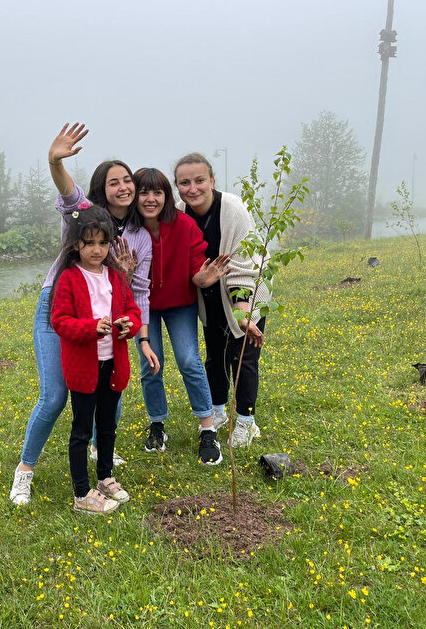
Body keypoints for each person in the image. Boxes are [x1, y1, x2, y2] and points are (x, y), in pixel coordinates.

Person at [9, 123, 158, 506]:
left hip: (106, 321)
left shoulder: (139, 235)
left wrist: (140, 335)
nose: (123, 187)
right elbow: (67, 191)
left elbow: (137, 293)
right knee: (55, 396)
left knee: (111, 390)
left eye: (127, 180)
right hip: (61, 306)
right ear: (101, 189)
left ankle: (100, 457)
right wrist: (55, 162)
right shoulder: (85, 213)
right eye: (113, 182)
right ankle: (25, 471)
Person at [133, 167, 230, 465]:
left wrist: (203, 278)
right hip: (144, 305)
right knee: (151, 364)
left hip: (180, 304)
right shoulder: (131, 231)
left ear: (167, 195)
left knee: (189, 360)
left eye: (157, 192)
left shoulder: (185, 225)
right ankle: (157, 424)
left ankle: (207, 428)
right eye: (143, 192)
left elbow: (196, 270)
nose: (150, 199)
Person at [174, 153, 271, 448]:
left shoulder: (233, 209)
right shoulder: (179, 212)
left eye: (199, 180)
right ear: (177, 186)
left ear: (212, 180)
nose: (193, 189)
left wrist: (243, 315)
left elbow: (245, 265)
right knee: (215, 355)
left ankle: (246, 421)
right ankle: (218, 411)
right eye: (184, 183)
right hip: (209, 294)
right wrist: (199, 280)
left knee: (244, 357)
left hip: (246, 290)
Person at [50, 204, 141, 513]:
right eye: (89, 243)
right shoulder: (69, 278)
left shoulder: (115, 277)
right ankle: (81, 493)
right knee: (81, 431)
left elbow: (133, 312)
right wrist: (91, 327)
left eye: (103, 243)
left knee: (107, 426)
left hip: (113, 365)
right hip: (83, 370)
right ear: (77, 244)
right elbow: (60, 321)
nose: (97, 249)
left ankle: (104, 477)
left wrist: (129, 325)